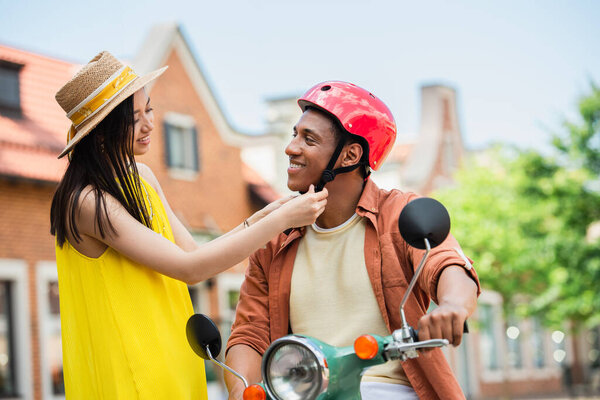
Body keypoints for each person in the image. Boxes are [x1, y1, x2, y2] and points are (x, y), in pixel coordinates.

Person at [49, 51, 328, 399]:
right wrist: (281, 221)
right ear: (102, 132)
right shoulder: (88, 202)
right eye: (134, 118)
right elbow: (190, 269)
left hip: (172, 355)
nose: (149, 124)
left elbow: (194, 251)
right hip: (130, 367)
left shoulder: (143, 178)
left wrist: (264, 216)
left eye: (148, 109)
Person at [225, 81, 481, 399]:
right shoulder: (274, 237)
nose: (291, 147)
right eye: (294, 135)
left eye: (309, 139)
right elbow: (249, 333)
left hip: (389, 389)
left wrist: (453, 306)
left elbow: (446, 263)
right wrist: (242, 390)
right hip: (307, 392)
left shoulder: (399, 213)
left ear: (350, 154)